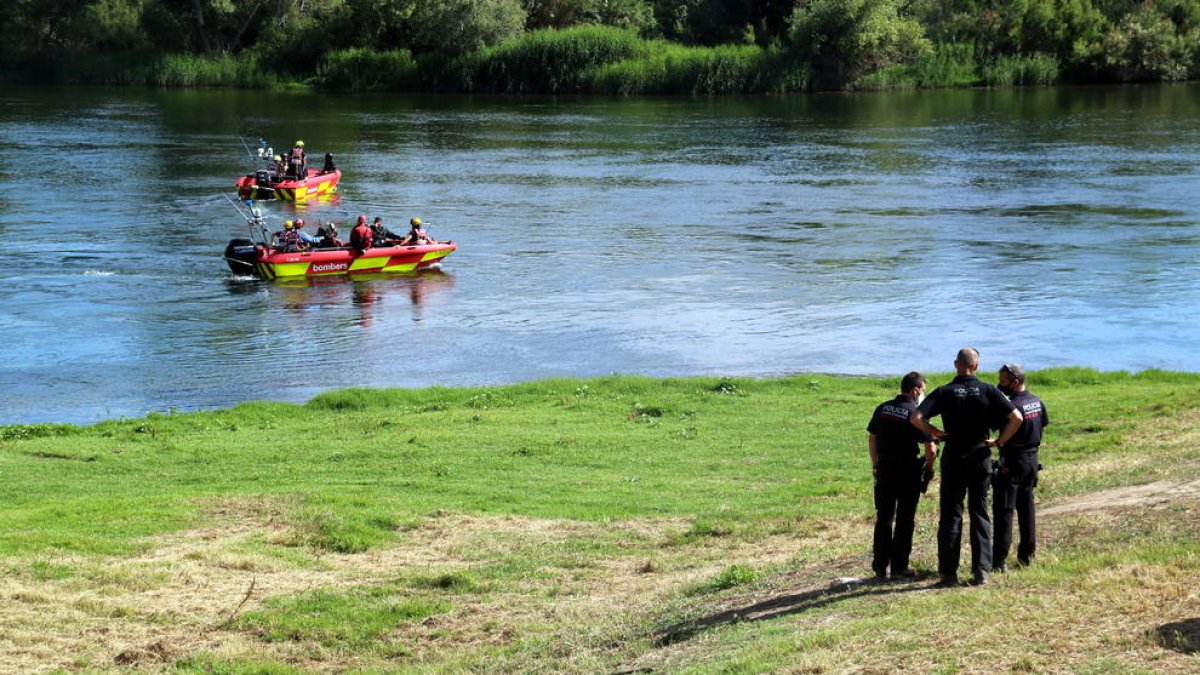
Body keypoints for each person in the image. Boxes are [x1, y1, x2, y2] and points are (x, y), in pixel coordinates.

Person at [911, 347, 1023, 587]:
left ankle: (949, 574)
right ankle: (981, 570)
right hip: (980, 454)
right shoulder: (988, 390)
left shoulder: (944, 391)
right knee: (979, 511)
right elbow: (1017, 417)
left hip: (954, 455)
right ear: (976, 366)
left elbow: (916, 418)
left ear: (956, 364)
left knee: (951, 513)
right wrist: (1001, 441)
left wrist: (936, 432)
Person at [867, 371, 937, 581]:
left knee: (884, 519)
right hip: (908, 471)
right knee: (905, 520)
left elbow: (872, 438)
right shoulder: (916, 414)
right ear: (915, 390)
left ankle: (880, 567)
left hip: (885, 468)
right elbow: (931, 449)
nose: (922, 395)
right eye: (922, 391)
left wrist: (875, 464)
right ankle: (899, 567)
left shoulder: (883, 408)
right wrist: (929, 468)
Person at [992, 363, 1049, 572]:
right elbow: (1042, 425)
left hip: (1012, 461)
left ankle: (998, 560)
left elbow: (1000, 429)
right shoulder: (1036, 401)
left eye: (1003, 381)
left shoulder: (1011, 407)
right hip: (1032, 460)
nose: (999, 385)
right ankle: (1027, 556)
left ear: (1015, 382)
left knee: (1004, 511)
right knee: (1027, 509)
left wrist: (999, 442)